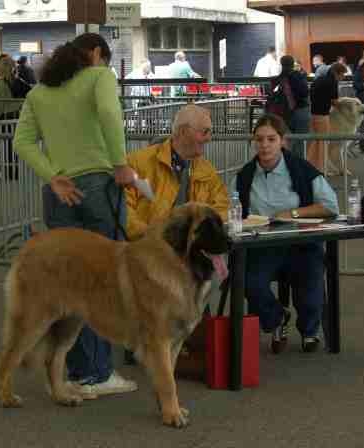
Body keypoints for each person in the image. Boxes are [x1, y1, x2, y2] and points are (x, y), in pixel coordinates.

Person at [13, 33, 138, 397]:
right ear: (97, 54)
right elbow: (109, 113)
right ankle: (99, 374)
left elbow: (20, 142)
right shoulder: (100, 77)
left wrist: (53, 177)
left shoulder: (38, 93)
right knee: (107, 281)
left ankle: (74, 371)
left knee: (70, 285)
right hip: (100, 186)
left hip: (59, 193)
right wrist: (120, 164)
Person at [230, 114, 339, 353]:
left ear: (283, 141)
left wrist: (294, 213)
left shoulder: (302, 169)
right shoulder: (244, 176)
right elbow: (231, 210)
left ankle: (309, 330)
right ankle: (277, 318)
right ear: (253, 142)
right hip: (262, 246)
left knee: (310, 283)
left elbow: (331, 205)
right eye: (259, 139)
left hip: (301, 244)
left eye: (271, 139)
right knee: (250, 283)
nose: (265, 145)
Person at [125, 104, 228, 240]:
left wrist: (198, 235)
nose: (209, 138)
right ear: (184, 131)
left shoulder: (207, 170)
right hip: (146, 250)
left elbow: (221, 207)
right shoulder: (138, 163)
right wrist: (154, 236)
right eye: (205, 132)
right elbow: (124, 211)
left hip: (189, 251)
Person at [307, 62, 348, 172]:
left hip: (313, 113)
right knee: (323, 143)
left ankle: (310, 164)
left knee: (315, 141)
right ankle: (320, 168)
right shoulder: (332, 82)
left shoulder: (320, 79)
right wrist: (345, 105)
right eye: (342, 75)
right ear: (337, 73)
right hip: (322, 115)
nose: (343, 78)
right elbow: (334, 101)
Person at [270, 55, 310, 159]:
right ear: (293, 64)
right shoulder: (297, 76)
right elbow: (304, 92)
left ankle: (286, 162)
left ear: (281, 64)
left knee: (287, 140)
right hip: (300, 111)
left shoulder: (278, 79)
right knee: (300, 142)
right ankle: (298, 165)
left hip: (284, 114)